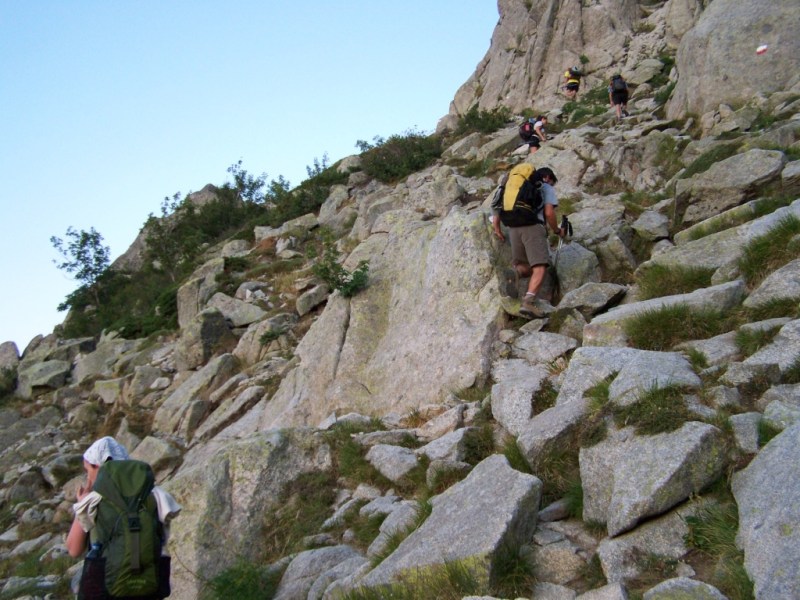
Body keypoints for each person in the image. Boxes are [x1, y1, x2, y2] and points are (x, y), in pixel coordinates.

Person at [66, 437, 181, 596]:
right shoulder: (155, 495)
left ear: (98, 466)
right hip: (148, 585)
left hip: (105, 586)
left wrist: (81, 504)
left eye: (88, 471)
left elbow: (73, 549)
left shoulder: (93, 500)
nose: (88, 478)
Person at [492, 167, 567, 318]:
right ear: (547, 177)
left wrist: (497, 228)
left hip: (513, 228)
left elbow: (496, 205)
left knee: (524, 266)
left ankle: (516, 272)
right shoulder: (544, 187)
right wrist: (557, 231)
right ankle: (529, 302)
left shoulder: (512, 187)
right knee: (540, 267)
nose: (551, 186)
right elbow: (548, 212)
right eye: (552, 182)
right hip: (533, 227)